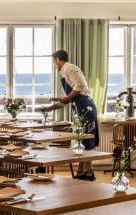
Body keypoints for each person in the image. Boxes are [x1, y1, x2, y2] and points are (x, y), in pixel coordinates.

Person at [40, 50, 100, 181]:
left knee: (86, 140)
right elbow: (67, 99)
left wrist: (67, 99)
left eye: (54, 62)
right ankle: (83, 172)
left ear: (57, 60)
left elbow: (80, 86)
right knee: (81, 140)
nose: (54, 65)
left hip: (85, 107)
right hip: (79, 106)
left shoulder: (69, 68)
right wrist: (49, 108)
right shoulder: (65, 72)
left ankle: (88, 173)